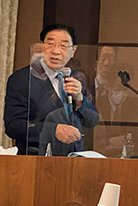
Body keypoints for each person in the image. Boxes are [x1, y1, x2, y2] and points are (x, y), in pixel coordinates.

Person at [4, 23, 99, 155]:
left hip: (73, 158)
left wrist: (79, 100)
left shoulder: (76, 77)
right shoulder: (23, 78)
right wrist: (53, 130)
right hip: (37, 158)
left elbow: (92, 121)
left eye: (63, 46)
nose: (56, 51)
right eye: (50, 44)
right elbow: (13, 126)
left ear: (73, 50)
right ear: (41, 47)